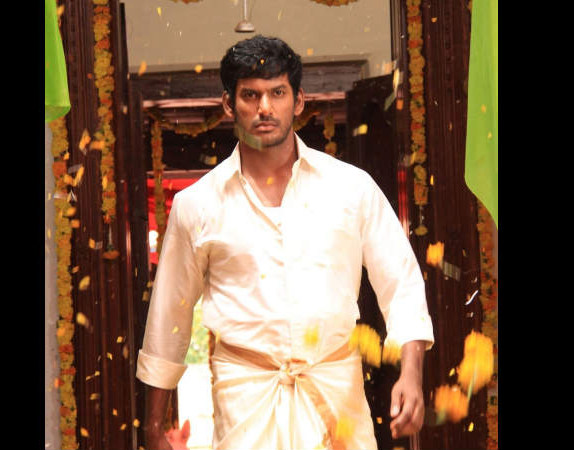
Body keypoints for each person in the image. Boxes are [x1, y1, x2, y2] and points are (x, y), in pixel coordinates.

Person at [136, 35, 434, 450]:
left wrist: (412, 374)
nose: (264, 107)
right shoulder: (197, 204)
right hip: (245, 403)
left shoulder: (351, 188)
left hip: (337, 396)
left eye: (277, 93)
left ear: (298, 102)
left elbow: (401, 283)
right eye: (250, 95)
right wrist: (153, 426)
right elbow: (169, 314)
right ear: (228, 104)